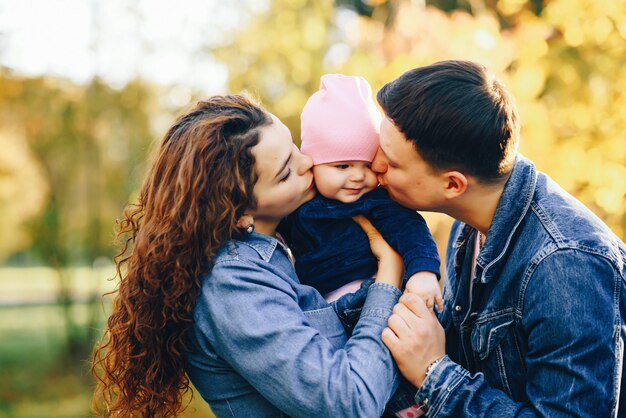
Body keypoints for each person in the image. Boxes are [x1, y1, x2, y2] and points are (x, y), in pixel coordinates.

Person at [91, 94, 407, 418]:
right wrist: (388, 279)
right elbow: (348, 401)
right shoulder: (233, 285)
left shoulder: (280, 251)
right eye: (285, 173)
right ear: (238, 213)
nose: (307, 163)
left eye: (295, 148)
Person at [369, 60, 626, 417]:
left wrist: (434, 373)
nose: (375, 164)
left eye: (393, 163)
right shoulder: (470, 223)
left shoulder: (566, 264)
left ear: (453, 184)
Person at [278, 74, 441, 307]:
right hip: (320, 307)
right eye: (342, 166)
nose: (357, 176)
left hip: (374, 293)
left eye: (367, 165)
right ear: (313, 163)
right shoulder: (296, 203)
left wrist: (423, 271)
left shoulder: (374, 201)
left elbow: (410, 229)